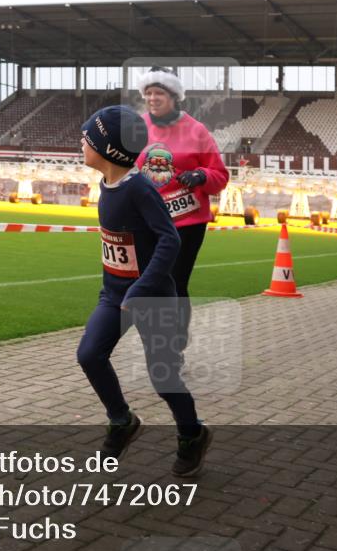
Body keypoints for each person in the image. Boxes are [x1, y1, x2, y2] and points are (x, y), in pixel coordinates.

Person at [75, 105, 212, 478]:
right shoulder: (107, 185)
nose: (81, 143)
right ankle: (121, 420)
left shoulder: (139, 189)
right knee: (89, 354)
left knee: (163, 377)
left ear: (107, 149)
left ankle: (192, 434)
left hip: (151, 297)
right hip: (114, 296)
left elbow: (170, 240)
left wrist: (141, 286)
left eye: (87, 138)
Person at [134, 67, 229, 355]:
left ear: (174, 96)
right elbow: (126, 168)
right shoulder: (137, 127)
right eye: (148, 93)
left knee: (175, 281)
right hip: (149, 221)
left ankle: (174, 343)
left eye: (159, 93)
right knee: (150, 283)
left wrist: (201, 175)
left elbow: (220, 175)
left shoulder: (196, 130)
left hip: (187, 222)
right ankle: (158, 340)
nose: (152, 98)